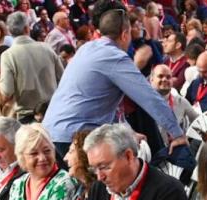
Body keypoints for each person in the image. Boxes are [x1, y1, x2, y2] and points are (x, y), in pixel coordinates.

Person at [43, 7, 187, 158]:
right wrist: (177, 134)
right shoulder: (114, 57)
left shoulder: (86, 48)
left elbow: (102, 103)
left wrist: (127, 133)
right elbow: (149, 97)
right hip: (73, 138)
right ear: (125, 34)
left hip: (51, 132)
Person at [0, 12, 63, 123]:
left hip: (27, 116)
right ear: (27, 29)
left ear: (9, 31)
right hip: (53, 111)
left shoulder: (8, 55)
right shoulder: (46, 48)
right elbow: (63, 78)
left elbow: (7, 92)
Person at [7, 124, 74, 200]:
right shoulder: (17, 184)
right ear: (22, 157)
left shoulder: (63, 183)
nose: (42, 158)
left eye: (47, 151)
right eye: (34, 153)